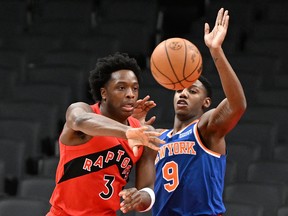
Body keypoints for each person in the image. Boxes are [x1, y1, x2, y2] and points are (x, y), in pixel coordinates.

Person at [151, 8, 247, 215]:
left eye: (192, 91)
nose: (183, 94)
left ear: (206, 102)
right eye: (179, 90)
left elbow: (237, 104)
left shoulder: (205, 127)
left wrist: (216, 51)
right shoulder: (159, 137)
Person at [46, 52, 164, 216]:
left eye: (135, 88)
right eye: (121, 87)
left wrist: (140, 197)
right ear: (104, 93)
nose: (130, 94)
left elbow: (149, 192)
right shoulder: (82, 110)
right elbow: (80, 120)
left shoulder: (144, 133)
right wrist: (128, 132)